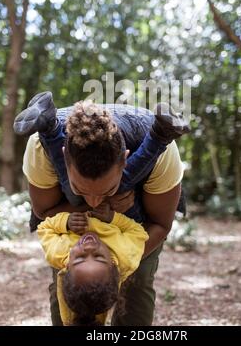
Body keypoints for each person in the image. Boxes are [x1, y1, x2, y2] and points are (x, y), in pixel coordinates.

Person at [15, 92, 189, 325]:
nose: (94, 202)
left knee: (137, 285)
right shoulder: (40, 148)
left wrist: (121, 266)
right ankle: (51, 128)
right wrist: (83, 212)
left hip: (140, 220)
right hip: (71, 219)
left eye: (106, 190)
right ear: (64, 156)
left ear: (125, 160)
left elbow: (160, 224)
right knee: (69, 289)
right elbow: (43, 213)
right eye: (82, 188)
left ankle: (155, 140)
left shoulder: (164, 155)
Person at [37, 205, 149, 326]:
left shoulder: (59, 252)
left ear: (67, 266)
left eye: (80, 258)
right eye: (98, 257)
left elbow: (44, 227)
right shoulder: (125, 253)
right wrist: (113, 218)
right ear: (112, 264)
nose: (89, 247)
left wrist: (66, 222)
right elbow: (138, 231)